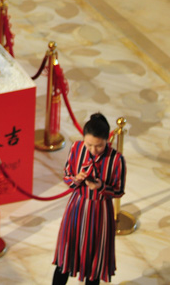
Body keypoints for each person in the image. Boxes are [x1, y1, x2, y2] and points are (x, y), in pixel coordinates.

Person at [52, 113, 126, 285]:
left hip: (101, 213)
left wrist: (101, 187)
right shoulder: (76, 148)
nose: (93, 150)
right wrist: (76, 179)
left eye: (99, 146)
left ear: (107, 140)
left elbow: (119, 191)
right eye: (89, 145)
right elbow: (67, 176)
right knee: (65, 257)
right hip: (76, 208)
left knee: (94, 263)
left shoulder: (116, 159)